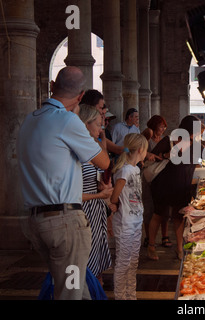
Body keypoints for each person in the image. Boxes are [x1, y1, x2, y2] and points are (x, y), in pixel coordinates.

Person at [17, 66, 110, 300]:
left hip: (36, 221)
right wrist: (97, 135)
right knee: (69, 293)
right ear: (80, 96)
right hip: (64, 223)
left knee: (75, 286)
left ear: (51, 86)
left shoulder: (30, 120)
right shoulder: (68, 120)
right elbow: (104, 162)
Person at [149, 115, 205, 260]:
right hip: (164, 183)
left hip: (182, 185)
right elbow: (151, 156)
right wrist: (165, 155)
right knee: (158, 214)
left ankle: (179, 249)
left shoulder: (195, 145)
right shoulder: (169, 140)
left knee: (179, 217)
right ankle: (151, 247)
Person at [109, 133, 148, 300]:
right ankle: (120, 296)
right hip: (125, 222)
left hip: (136, 220)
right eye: (146, 150)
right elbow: (116, 191)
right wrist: (114, 202)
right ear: (140, 150)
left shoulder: (135, 169)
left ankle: (131, 295)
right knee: (123, 263)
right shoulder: (125, 170)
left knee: (133, 262)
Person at [78, 104, 114, 285]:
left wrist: (101, 187)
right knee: (85, 266)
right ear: (85, 124)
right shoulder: (76, 150)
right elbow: (71, 193)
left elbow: (104, 165)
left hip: (96, 212)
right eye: (99, 124)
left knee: (97, 266)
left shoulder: (92, 146)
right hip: (84, 212)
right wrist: (98, 196)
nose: (101, 129)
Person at [141, 115, 172, 252]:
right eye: (161, 125)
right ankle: (148, 237)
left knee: (163, 207)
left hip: (163, 177)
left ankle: (165, 236)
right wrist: (148, 154)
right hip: (149, 177)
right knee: (149, 208)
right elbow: (138, 149)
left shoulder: (166, 140)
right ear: (154, 126)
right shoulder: (148, 137)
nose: (163, 128)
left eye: (164, 126)